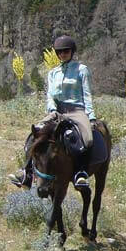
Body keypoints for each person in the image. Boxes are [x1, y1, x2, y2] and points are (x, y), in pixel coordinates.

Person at [11, 35, 98, 189]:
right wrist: (52, 110)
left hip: (77, 110)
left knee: (87, 138)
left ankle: (81, 173)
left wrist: (90, 117)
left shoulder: (81, 70)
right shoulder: (53, 73)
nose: (63, 54)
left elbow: (87, 94)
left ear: (72, 51)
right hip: (57, 111)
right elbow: (50, 95)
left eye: (66, 51)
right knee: (35, 135)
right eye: (59, 52)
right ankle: (27, 173)